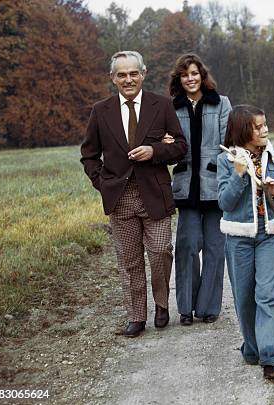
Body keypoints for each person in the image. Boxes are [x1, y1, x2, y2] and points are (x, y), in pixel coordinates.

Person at [80, 51, 188, 337]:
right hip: (119, 197)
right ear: (113, 78)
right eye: (122, 74)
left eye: (133, 73)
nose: (128, 79)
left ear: (143, 73)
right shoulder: (100, 111)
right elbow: (89, 156)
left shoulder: (162, 106)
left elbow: (180, 147)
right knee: (129, 261)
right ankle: (137, 316)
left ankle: (162, 303)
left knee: (161, 252)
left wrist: (155, 151)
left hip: (155, 194)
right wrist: (101, 183)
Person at [217, 105, 274, 380]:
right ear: (242, 130)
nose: (265, 130)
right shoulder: (227, 160)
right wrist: (239, 174)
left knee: (267, 294)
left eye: (265, 125)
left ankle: (272, 355)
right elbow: (224, 202)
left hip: (268, 236)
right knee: (245, 298)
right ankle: (253, 347)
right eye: (258, 127)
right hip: (238, 238)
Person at [165, 54, 231, 326]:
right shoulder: (171, 108)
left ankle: (208, 307)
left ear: (202, 75)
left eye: (194, 73)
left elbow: (229, 144)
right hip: (185, 188)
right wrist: (166, 143)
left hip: (215, 188)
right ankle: (186, 308)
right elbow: (167, 146)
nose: (190, 78)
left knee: (216, 249)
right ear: (179, 79)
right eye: (184, 75)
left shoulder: (221, 103)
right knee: (187, 247)